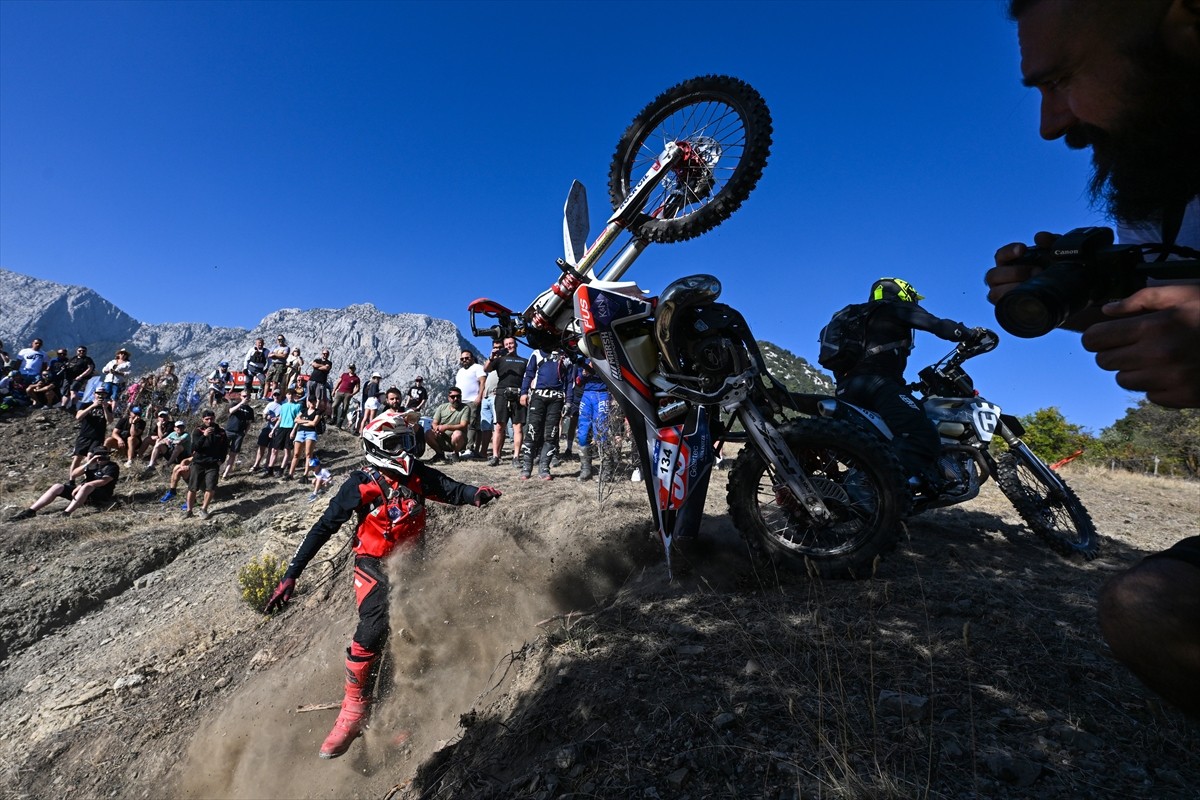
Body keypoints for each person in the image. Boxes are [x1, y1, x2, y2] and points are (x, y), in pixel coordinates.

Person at [988, 0, 1200, 718]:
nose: (1051, 123)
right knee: (1148, 608)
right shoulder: (1165, 189)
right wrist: (1088, 298)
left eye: (1065, 77)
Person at [262, 411, 501, 759]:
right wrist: (291, 575)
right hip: (373, 564)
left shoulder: (417, 475)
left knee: (418, 636)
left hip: (414, 566)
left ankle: (396, 715)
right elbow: (322, 528)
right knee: (374, 627)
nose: (404, 450)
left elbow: (450, 489)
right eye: (395, 444)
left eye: (407, 442)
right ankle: (352, 713)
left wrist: (475, 493)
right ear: (376, 447)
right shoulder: (360, 483)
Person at [826, 278, 987, 492]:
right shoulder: (893, 308)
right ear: (903, 293)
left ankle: (897, 486)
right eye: (912, 297)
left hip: (846, 390)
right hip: (878, 384)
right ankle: (876, 490)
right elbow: (937, 325)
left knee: (886, 440)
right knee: (923, 437)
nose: (914, 302)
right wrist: (968, 333)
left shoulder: (856, 317)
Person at [9, 445, 120, 520]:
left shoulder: (112, 466)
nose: (102, 457)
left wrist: (82, 485)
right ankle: (30, 511)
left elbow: (103, 482)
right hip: (82, 493)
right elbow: (74, 474)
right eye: (99, 455)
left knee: (87, 486)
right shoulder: (92, 465)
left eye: (105, 454)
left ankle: (66, 514)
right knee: (57, 486)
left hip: (100, 495)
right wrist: (88, 463)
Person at [519, 347, 571, 481]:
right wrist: (524, 392)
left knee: (551, 434)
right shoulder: (537, 353)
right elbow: (529, 373)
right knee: (532, 431)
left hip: (557, 398)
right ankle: (526, 467)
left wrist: (569, 402)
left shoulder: (566, 354)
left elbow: (569, 380)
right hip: (538, 396)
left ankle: (544, 468)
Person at [568, 359, 615, 482]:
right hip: (587, 395)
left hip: (603, 394)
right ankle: (586, 469)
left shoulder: (608, 358)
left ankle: (606, 470)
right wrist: (584, 372)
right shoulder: (583, 360)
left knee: (601, 432)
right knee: (582, 434)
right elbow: (578, 382)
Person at [484, 337, 527, 467]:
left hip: (518, 394)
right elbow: (486, 369)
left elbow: (530, 377)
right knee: (499, 426)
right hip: (502, 394)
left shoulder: (524, 361)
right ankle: (496, 456)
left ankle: (516, 457)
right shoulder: (499, 360)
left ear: (516, 344)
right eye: (506, 344)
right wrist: (491, 356)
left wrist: (526, 393)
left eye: (511, 343)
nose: (509, 346)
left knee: (518, 427)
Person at [184, 409, 228, 520]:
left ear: (214, 418)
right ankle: (189, 511)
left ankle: (204, 509)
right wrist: (204, 435)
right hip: (198, 463)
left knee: (211, 487)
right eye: (207, 419)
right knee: (192, 487)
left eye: (211, 418)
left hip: (213, 464)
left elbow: (225, 448)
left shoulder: (221, 432)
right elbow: (195, 448)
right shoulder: (198, 431)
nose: (209, 421)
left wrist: (221, 461)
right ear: (203, 419)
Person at [72, 387, 114, 472]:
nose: (100, 396)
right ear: (94, 394)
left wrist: (105, 408)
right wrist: (92, 406)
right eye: (98, 394)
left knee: (91, 456)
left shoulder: (107, 406)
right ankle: (71, 479)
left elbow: (110, 420)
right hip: (85, 435)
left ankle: (87, 476)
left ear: (105, 395)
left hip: (98, 436)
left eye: (102, 394)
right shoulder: (85, 404)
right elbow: (78, 417)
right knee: (77, 458)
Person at [454, 351, 487, 458]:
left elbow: (483, 382)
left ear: (472, 358)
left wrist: (479, 397)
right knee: (461, 425)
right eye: (462, 359)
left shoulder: (477, 367)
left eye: (467, 358)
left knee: (471, 424)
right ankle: (461, 448)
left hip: (472, 401)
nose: (464, 360)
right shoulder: (460, 371)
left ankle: (469, 449)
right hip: (460, 402)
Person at [424, 388, 470, 462]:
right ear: (448, 398)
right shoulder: (442, 407)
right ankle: (440, 454)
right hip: (442, 438)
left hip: (458, 441)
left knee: (457, 434)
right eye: (453, 397)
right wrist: (436, 429)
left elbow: (463, 425)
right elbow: (434, 422)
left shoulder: (465, 408)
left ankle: (455, 454)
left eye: (458, 396)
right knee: (428, 433)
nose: (456, 398)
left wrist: (446, 427)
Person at [288, 395, 322, 481]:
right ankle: (290, 474)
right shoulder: (303, 410)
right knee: (296, 454)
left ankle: (305, 475)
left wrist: (302, 421)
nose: (312, 403)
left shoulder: (318, 412)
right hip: (300, 432)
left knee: (308, 454)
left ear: (315, 402)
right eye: (310, 401)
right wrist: (307, 422)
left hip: (311, 433)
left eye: (313, 401)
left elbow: (314, 423)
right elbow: (296, 420)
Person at [222, 391, 255, 479]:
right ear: (240, 396)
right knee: (222, 451)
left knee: (233, 453)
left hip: (240, 433)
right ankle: (218, 469)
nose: (246, 398)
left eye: (248, 396)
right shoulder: (234, 404)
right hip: (229, 431)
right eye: (244, 396)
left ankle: (226, 473)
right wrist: (241, 403)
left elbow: (249, 423)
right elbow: (231, 411)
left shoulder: (250, 410)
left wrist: (245, 433)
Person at [59, 346, 95, 410]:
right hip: (68, 377)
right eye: (80, 351)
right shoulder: (73, 358)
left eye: (83, 351)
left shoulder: (87, 359)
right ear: (77, 351)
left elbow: (90, 368)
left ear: (86, 352)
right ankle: (63, 406)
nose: (81, 352)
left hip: (79, 378)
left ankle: (73, 406)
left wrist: (81, 376)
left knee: (73, 390)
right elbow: (67, 365)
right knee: (66, 392)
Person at [331, 364, 361, 428]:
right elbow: (338, 382)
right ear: (348, 368)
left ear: (354, 369)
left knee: (344, 408)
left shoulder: (356, 378)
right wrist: (334, 390)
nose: (351, 369)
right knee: (334, 406)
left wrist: (352, 394)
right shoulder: (344, 375)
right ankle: (334, 418)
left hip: (348, 394)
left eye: (352, 368)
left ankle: (340, 423)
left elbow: (358, 388)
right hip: (340, 392)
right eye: (350, 368)